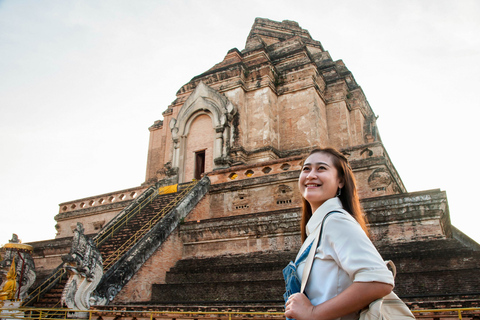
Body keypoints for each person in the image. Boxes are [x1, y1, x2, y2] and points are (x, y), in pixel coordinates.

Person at [284, 147, 394, 320]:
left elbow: (379, 280)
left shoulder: (335, 221)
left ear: (340, 181)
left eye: (321, 168)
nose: (311, 175)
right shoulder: (318, 229)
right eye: (306, 168)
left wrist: (313, 313)